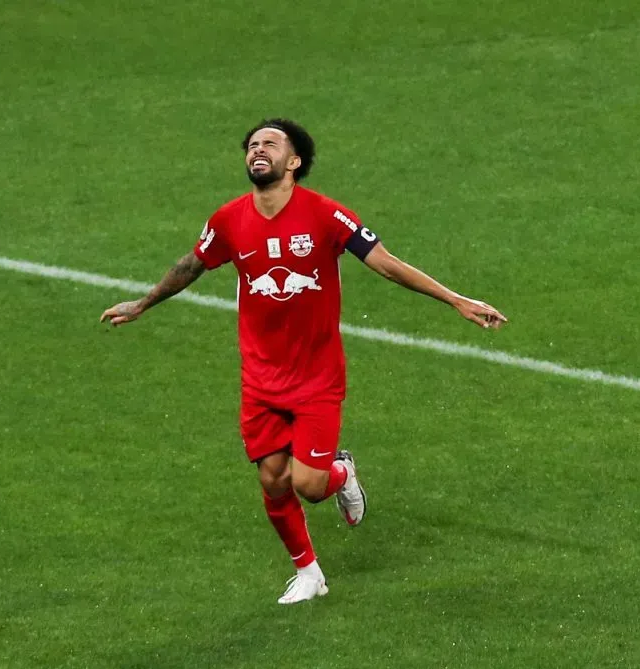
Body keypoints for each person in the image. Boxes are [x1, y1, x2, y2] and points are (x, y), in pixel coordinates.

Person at [100, 118, 508, 604]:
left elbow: (387, 263)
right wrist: (144, 303)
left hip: (316, 377)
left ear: (293, 162)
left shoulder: (326, 216)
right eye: (252, 145)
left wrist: (456, 300)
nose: (258, 150)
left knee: (309, 485)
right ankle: (309, 573)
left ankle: (342, 473)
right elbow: (192, 264)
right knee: (273, 478)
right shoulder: (228, 220)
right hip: (260, 377)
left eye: (270, 144)